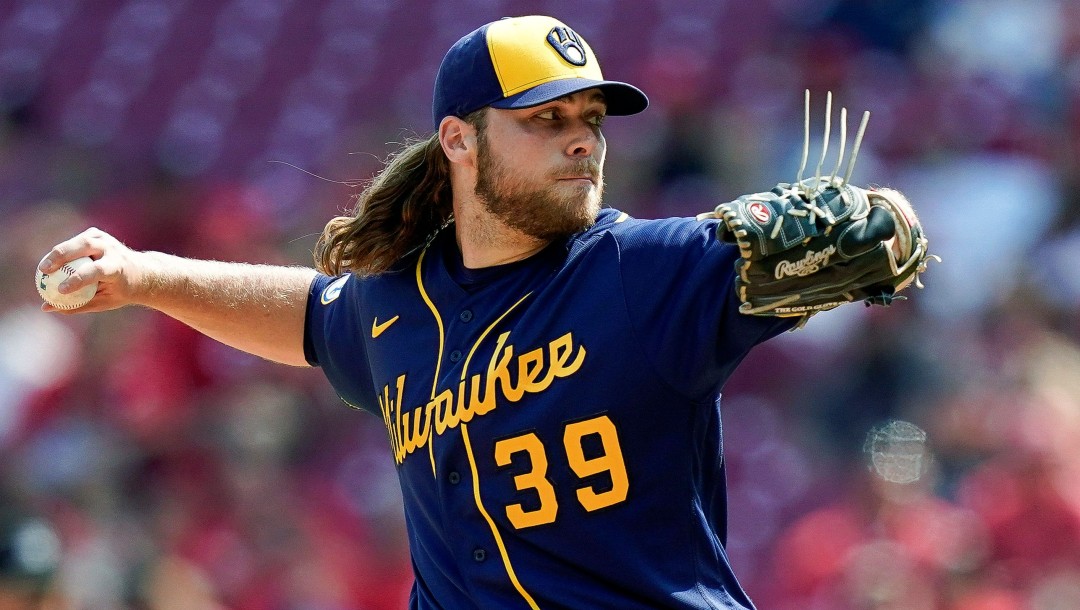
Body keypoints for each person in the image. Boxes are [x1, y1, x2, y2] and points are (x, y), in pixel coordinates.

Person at [39, 15, 879, 609]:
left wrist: (881, 225)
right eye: (546, 119)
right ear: (459, 140)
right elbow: (309, 317)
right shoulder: (398, 308)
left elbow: (880, 234)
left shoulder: (649, 270)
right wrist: (145, 275)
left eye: (591, 120)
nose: (583, 140)